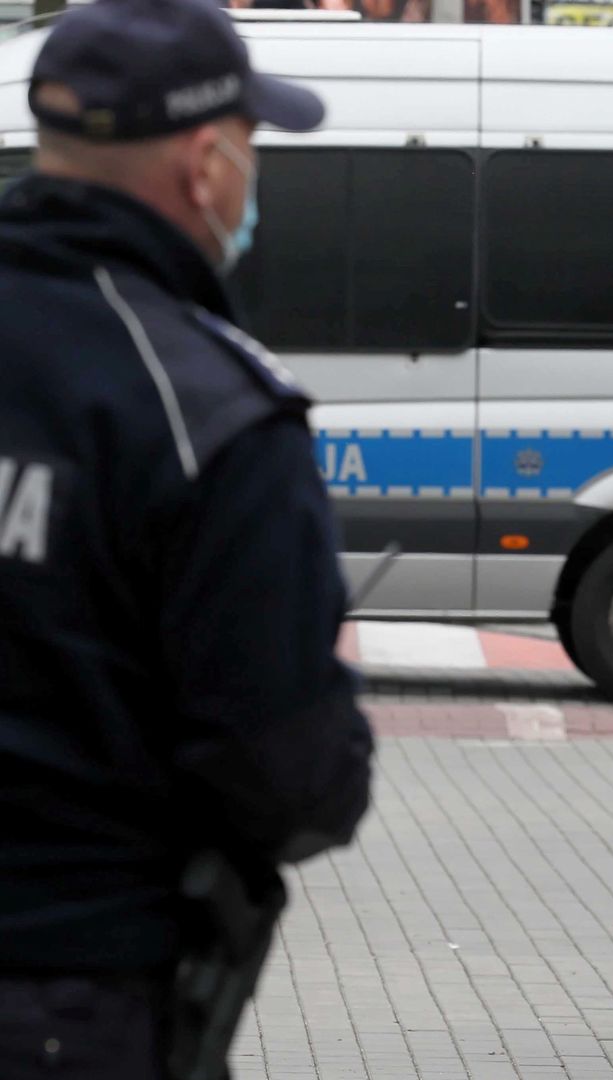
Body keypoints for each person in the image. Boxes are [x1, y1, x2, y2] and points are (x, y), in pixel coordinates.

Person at [0, 0, 374, 1076]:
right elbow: (290, 784)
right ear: (208, 164)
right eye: (254, 149)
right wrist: (329, 684)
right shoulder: (206, 405)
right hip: (70, 999)